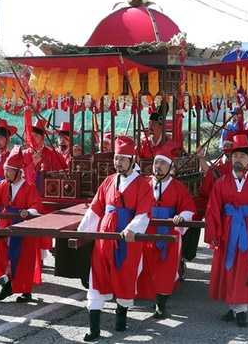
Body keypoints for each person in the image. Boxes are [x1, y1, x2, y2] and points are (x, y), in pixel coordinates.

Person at [77, 135, 153, 341]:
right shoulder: (109, 181)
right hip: (105, 237)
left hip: (127, 238)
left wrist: (132, 229)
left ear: (132, 160)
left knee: (125, 276)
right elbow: (95, 209)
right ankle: (94, 329)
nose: (117, 162)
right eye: (116, 158)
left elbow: (144, 213)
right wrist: (82, 232)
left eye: (121, 159)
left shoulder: (142, 184)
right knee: (97, 276)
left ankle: (122, 315)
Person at [204, 134, 248, 327]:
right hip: (227, 231)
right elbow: (213, 210)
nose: (238, 160)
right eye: (235, 156)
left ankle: (241, 310)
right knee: (229, 267)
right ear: (230, 159)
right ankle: (233, 306)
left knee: (244, 268)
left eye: (243, 157)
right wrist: (214, 234)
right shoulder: (221, 183)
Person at [0, 146, 44, 303]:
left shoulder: (28, 187)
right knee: (2, 254)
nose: (5, 173)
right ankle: (7, 284)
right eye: (5, 169)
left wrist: (28, 212)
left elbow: (37, 207)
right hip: (6, 223)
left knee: (24, 257)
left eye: (9, 170)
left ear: (18, 171)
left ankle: (25, 290)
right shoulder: (3, 185)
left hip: (23, 227)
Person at [136, 144, 196, 319]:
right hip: (146, 230)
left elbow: (188, 208)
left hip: (169, 232)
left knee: (166, 269)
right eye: (156, 163)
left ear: (171, 167)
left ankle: (161, 304)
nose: (158, 167)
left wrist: (181, 217)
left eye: (163, 163)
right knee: (145, 265)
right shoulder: (143, 183)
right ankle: (143, 295)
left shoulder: (178, 187)